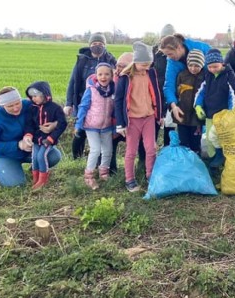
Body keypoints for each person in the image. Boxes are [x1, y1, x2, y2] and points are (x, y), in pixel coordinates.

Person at [0, 87, 59, 187]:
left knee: (54, 156)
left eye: (18, 103)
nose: (15, 108)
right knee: (16, 185)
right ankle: (5, 170)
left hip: (31, 150)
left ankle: (34, 168)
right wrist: (18, 145)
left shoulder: (30, 105)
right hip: (5, 155)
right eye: (10, 106)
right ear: (2, 105)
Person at [115, 41, 163, 192]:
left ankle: (151, 176)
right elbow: (118, 101)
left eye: (149, 64)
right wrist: (120, 124)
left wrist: (160, 114)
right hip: (132, 120)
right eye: (144, 65)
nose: (146, 67)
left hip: (148, 117)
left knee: (151, 148)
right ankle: (130, 180)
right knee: (131, 151)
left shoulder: (151, 74)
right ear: (135, 62)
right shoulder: (125, 77)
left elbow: (157, 95)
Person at [64, 33, 117, 159]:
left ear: (105, 46)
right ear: (89, 45)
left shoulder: (111, 60)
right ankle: (77, 159)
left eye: (100, 44)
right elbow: (73, 82)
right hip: (84, 101)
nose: (97, 46)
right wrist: (68, 103)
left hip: (103, 103)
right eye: (94, 44)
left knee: (102, 133)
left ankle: (100, 162)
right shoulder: (82, 61)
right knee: (80, 130)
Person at [194, 48, 235, 177]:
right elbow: (201, 91)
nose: (213, 69)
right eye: (210, 67)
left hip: (224, 115)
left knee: (220, 138)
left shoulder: (229, 75)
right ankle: (213, 162)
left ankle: (222, 158)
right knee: (209, 139)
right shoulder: (207, 75)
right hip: (210, 113)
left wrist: (232, 113)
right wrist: (198, 105)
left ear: (222, 63)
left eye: (215, 66)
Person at [75, 62, 116, 190]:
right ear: (96, 75)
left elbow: (115, 109)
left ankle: (104, 173)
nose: (103, 77)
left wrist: (115, 126)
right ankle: (89, 176)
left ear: (111, 75)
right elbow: (83, 107)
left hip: (107, 126)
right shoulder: (91, 90)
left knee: (108, 151)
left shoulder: (113, 90)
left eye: (107, 74)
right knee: (95, 150)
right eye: (100, 74)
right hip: (91, 125)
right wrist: (78, 124)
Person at [23, 81, 68, 190]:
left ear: (45, 95)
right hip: (36, 139)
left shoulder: (55, 108)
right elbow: (29, 123)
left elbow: (62, 123)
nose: (33, 99)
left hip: (48, 139)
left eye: (36, 96)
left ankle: (43, 179)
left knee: (41, 156)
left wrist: (51, 138)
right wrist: (28, 135)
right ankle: (36, 177)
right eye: (31, 96)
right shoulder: (32, 108)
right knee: (34, 157)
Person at [159, 33, 210, 124]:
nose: (169, 57)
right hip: (187, 96)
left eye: (170, 54)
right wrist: (173, 106)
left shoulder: (201, 48)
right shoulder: (172, 62)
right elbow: (169, 85)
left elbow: (214, 70)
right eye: (166, 55)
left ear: (179, 47)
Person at [174, 49, 206, 153]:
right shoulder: (182, 75)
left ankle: (196, 161)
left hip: (197, 118)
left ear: (202, 65)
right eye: (190, 65)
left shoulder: (205, 76)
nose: (193, 68)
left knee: (195, 143)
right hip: (182, 115)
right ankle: (185, 163)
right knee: (183, 142)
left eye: (196, 66)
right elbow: (176, 93)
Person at [152, 23, 175, 146]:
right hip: (156, 94)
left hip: (171, 93)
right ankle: (147, 157)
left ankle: (168, 152)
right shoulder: (153, 53)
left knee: (170, 125)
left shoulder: (177, 54)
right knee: (153, 125)